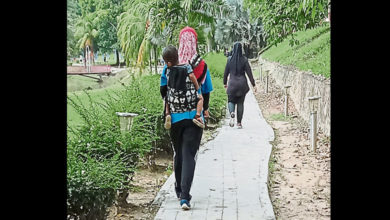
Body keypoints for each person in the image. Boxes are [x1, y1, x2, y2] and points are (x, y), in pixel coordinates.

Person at [160, 46, 204, 211]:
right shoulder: (197, 65)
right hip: (193, 118)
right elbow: (204, 89)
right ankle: (185, 197)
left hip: (175, 120)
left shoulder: (167, 70)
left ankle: (179, 191)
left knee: (178, 154)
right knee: (188, 155)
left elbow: (163, 92)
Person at [162, 45, 205, 129]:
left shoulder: (168, 70)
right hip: (189, 104)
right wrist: (197, 88)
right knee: (200, 98)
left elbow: (163, 87)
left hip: (174, 107)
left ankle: (167, 114)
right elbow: (192, 76)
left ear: (168, 63)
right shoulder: (187, 66)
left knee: (166, 99)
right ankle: (198, 116)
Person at [178, 26, 213, 123]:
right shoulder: (202, 65)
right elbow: (206, 91)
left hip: (175, 114)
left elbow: (164, 89)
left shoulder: (171, 64)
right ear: (195, 43)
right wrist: (205, 109)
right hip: (196, 114)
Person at [223, 42, 256, 129]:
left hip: (232, 84)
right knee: (240, 103)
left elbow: (226, 73)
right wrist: (253, 84)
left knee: (230, 100)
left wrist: (224, 83)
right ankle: (239, 123)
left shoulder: (229, 59)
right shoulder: (244, 60)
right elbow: (249, 73)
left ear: (233, 49)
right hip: (242, 84)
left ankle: (232, 113)